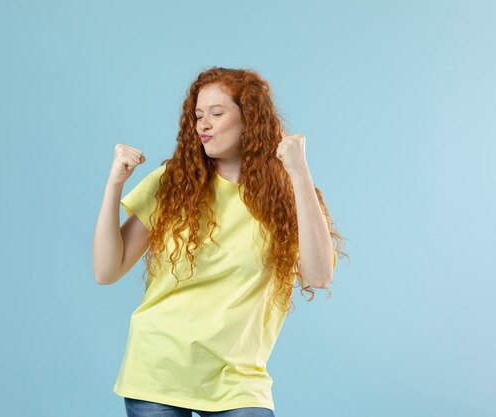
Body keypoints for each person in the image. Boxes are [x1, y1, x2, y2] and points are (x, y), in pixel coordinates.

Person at [92, 66, 348, 417]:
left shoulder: (287, 198)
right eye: (198, 115)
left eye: (216, 113)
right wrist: (114, 185)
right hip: (158, 369)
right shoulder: (175, 183)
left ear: (251, 119)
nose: (203, 125)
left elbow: (318, 275)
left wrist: (299, 173)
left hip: (239, 380)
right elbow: (106, 270)